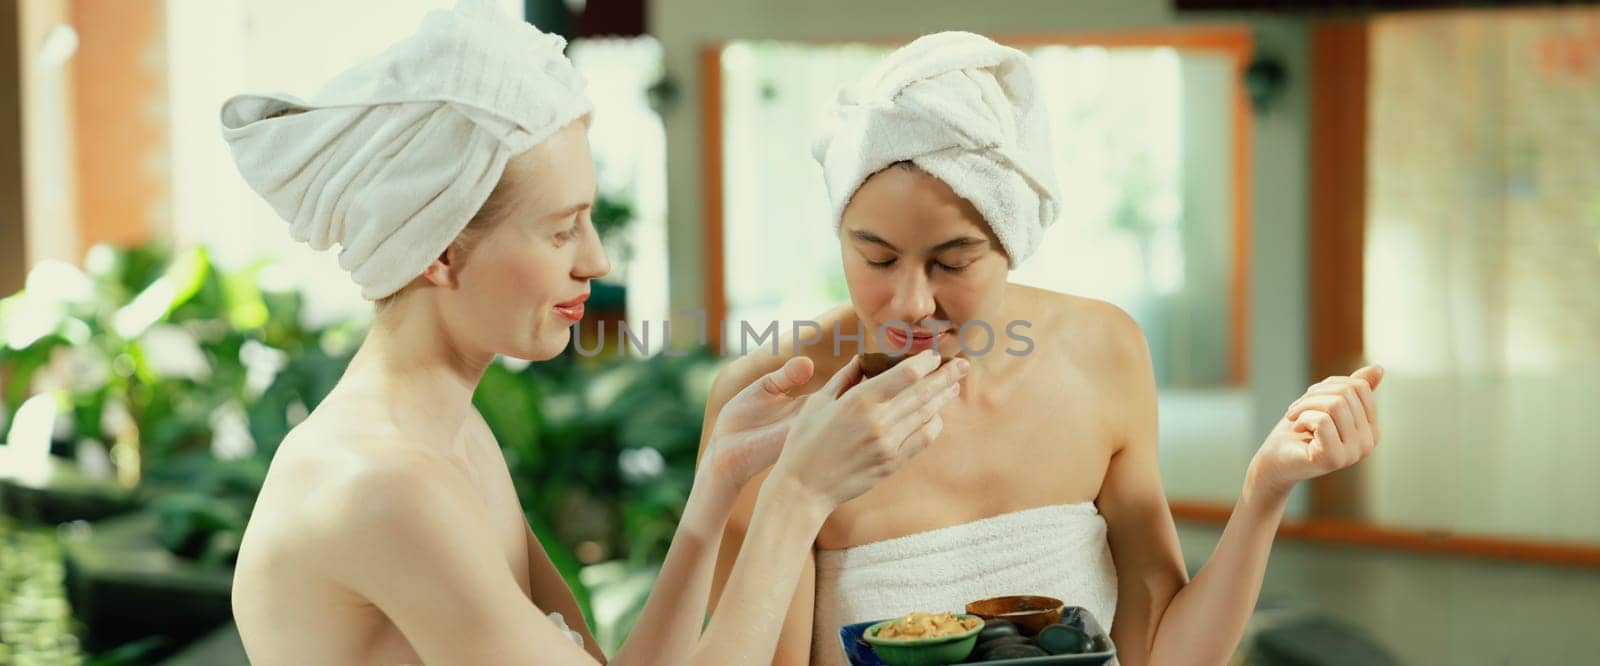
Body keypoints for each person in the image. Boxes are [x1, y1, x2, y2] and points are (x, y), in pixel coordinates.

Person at [221, 2, 966, 663]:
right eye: (560, 231)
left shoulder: (453, 438)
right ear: (439, 253)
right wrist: (798, 497)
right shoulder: (381, 487)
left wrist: (719, 486)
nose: (596, 259)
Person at [700, 31, 1386, 666]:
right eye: (876, 257)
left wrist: (1264, 491)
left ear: (1012, 243)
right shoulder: (776, 400)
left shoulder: (1102, 352)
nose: (910, 302)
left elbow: (1160, 653)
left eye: (952, 261)